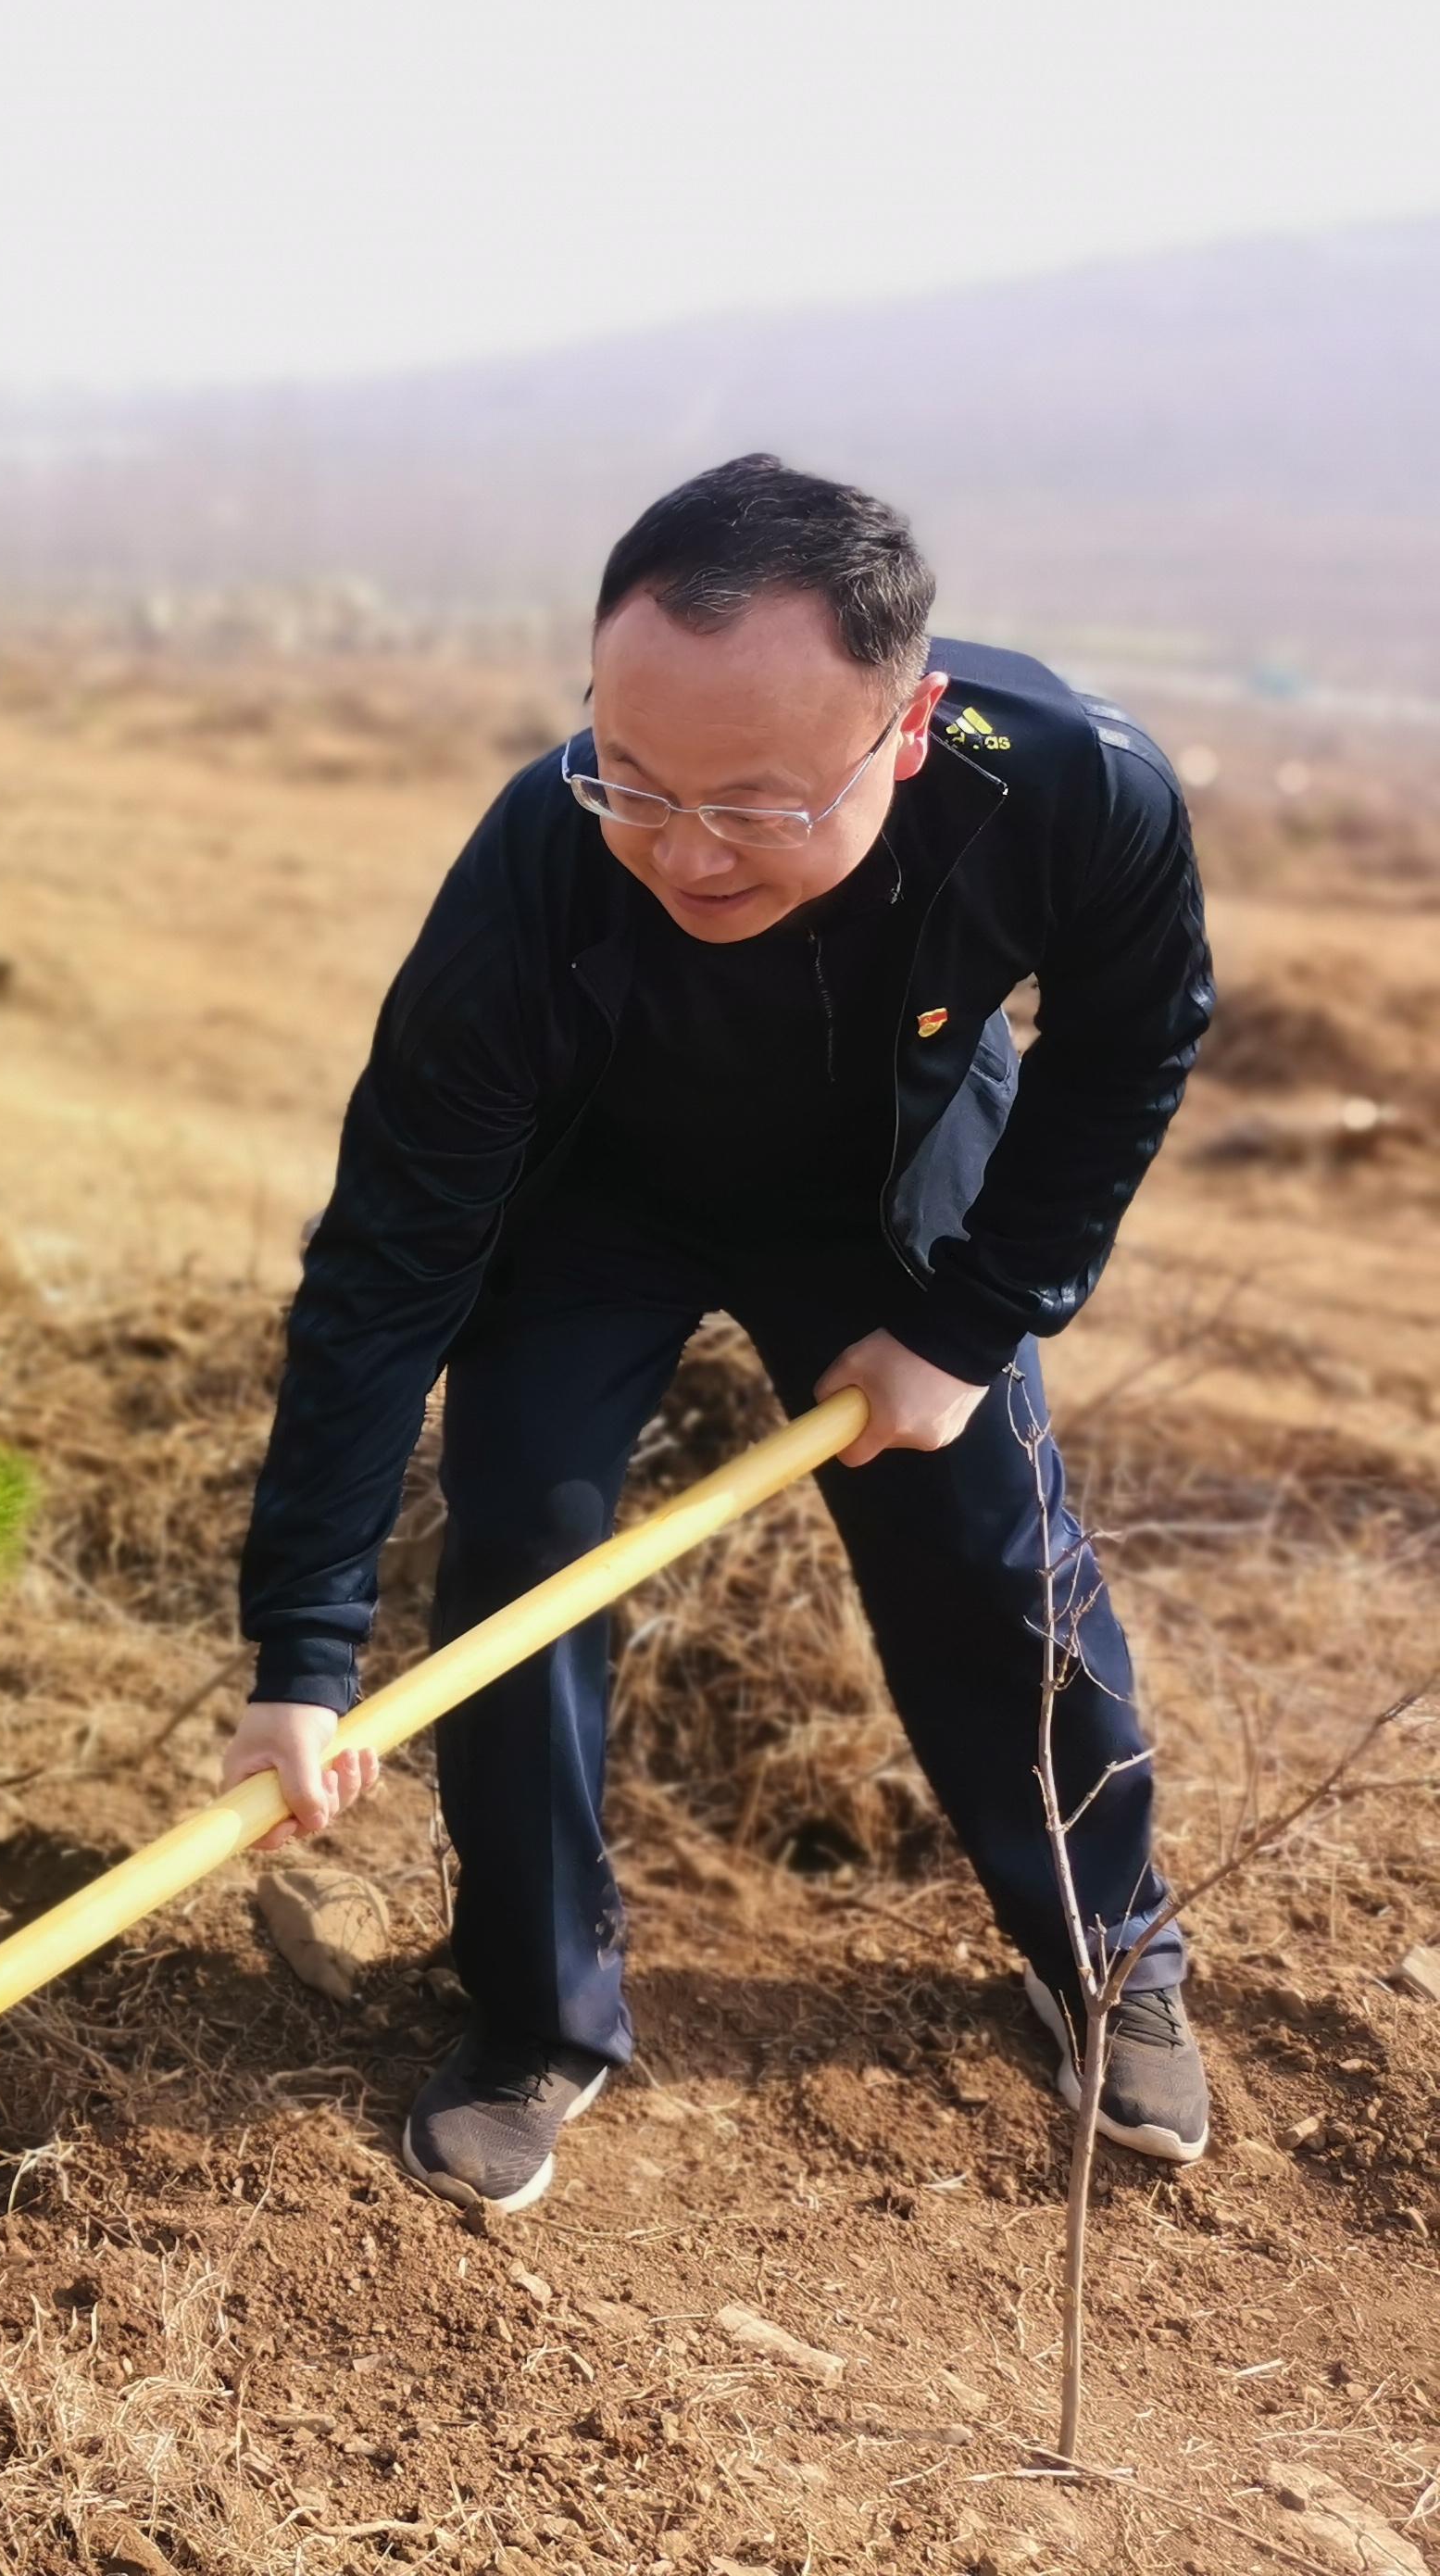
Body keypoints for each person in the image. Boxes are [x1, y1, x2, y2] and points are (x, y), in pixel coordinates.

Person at [219, 455, 1215, 2216]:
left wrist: (971, 1322)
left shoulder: (1068, 786)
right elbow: (387, 1263)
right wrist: (301, 1651)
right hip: (597, 1189)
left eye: (755, 806)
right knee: (522, 1535)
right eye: (635, 778)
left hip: (892, 1179)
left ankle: (1109, 1950)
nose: (682, 851)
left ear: (904, 731)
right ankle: (534, 2011)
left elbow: (1130, 1044)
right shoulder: (539, 867)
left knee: (987, 1545)